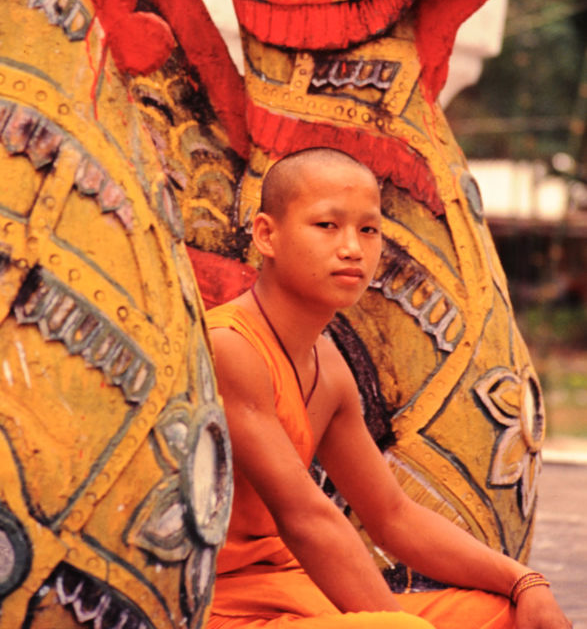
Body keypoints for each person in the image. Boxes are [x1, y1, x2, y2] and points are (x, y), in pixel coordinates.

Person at [206, 147, 571, 629]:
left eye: (369, 230)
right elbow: (306, 518)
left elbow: (393, 516)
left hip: (297, 597)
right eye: (327, 225)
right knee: (397, 626)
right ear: (266, 235)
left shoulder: (328, 365)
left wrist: (523, 580)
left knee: (507, 614)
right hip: (220, 607)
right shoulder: (230, 345)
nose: (352, 249)